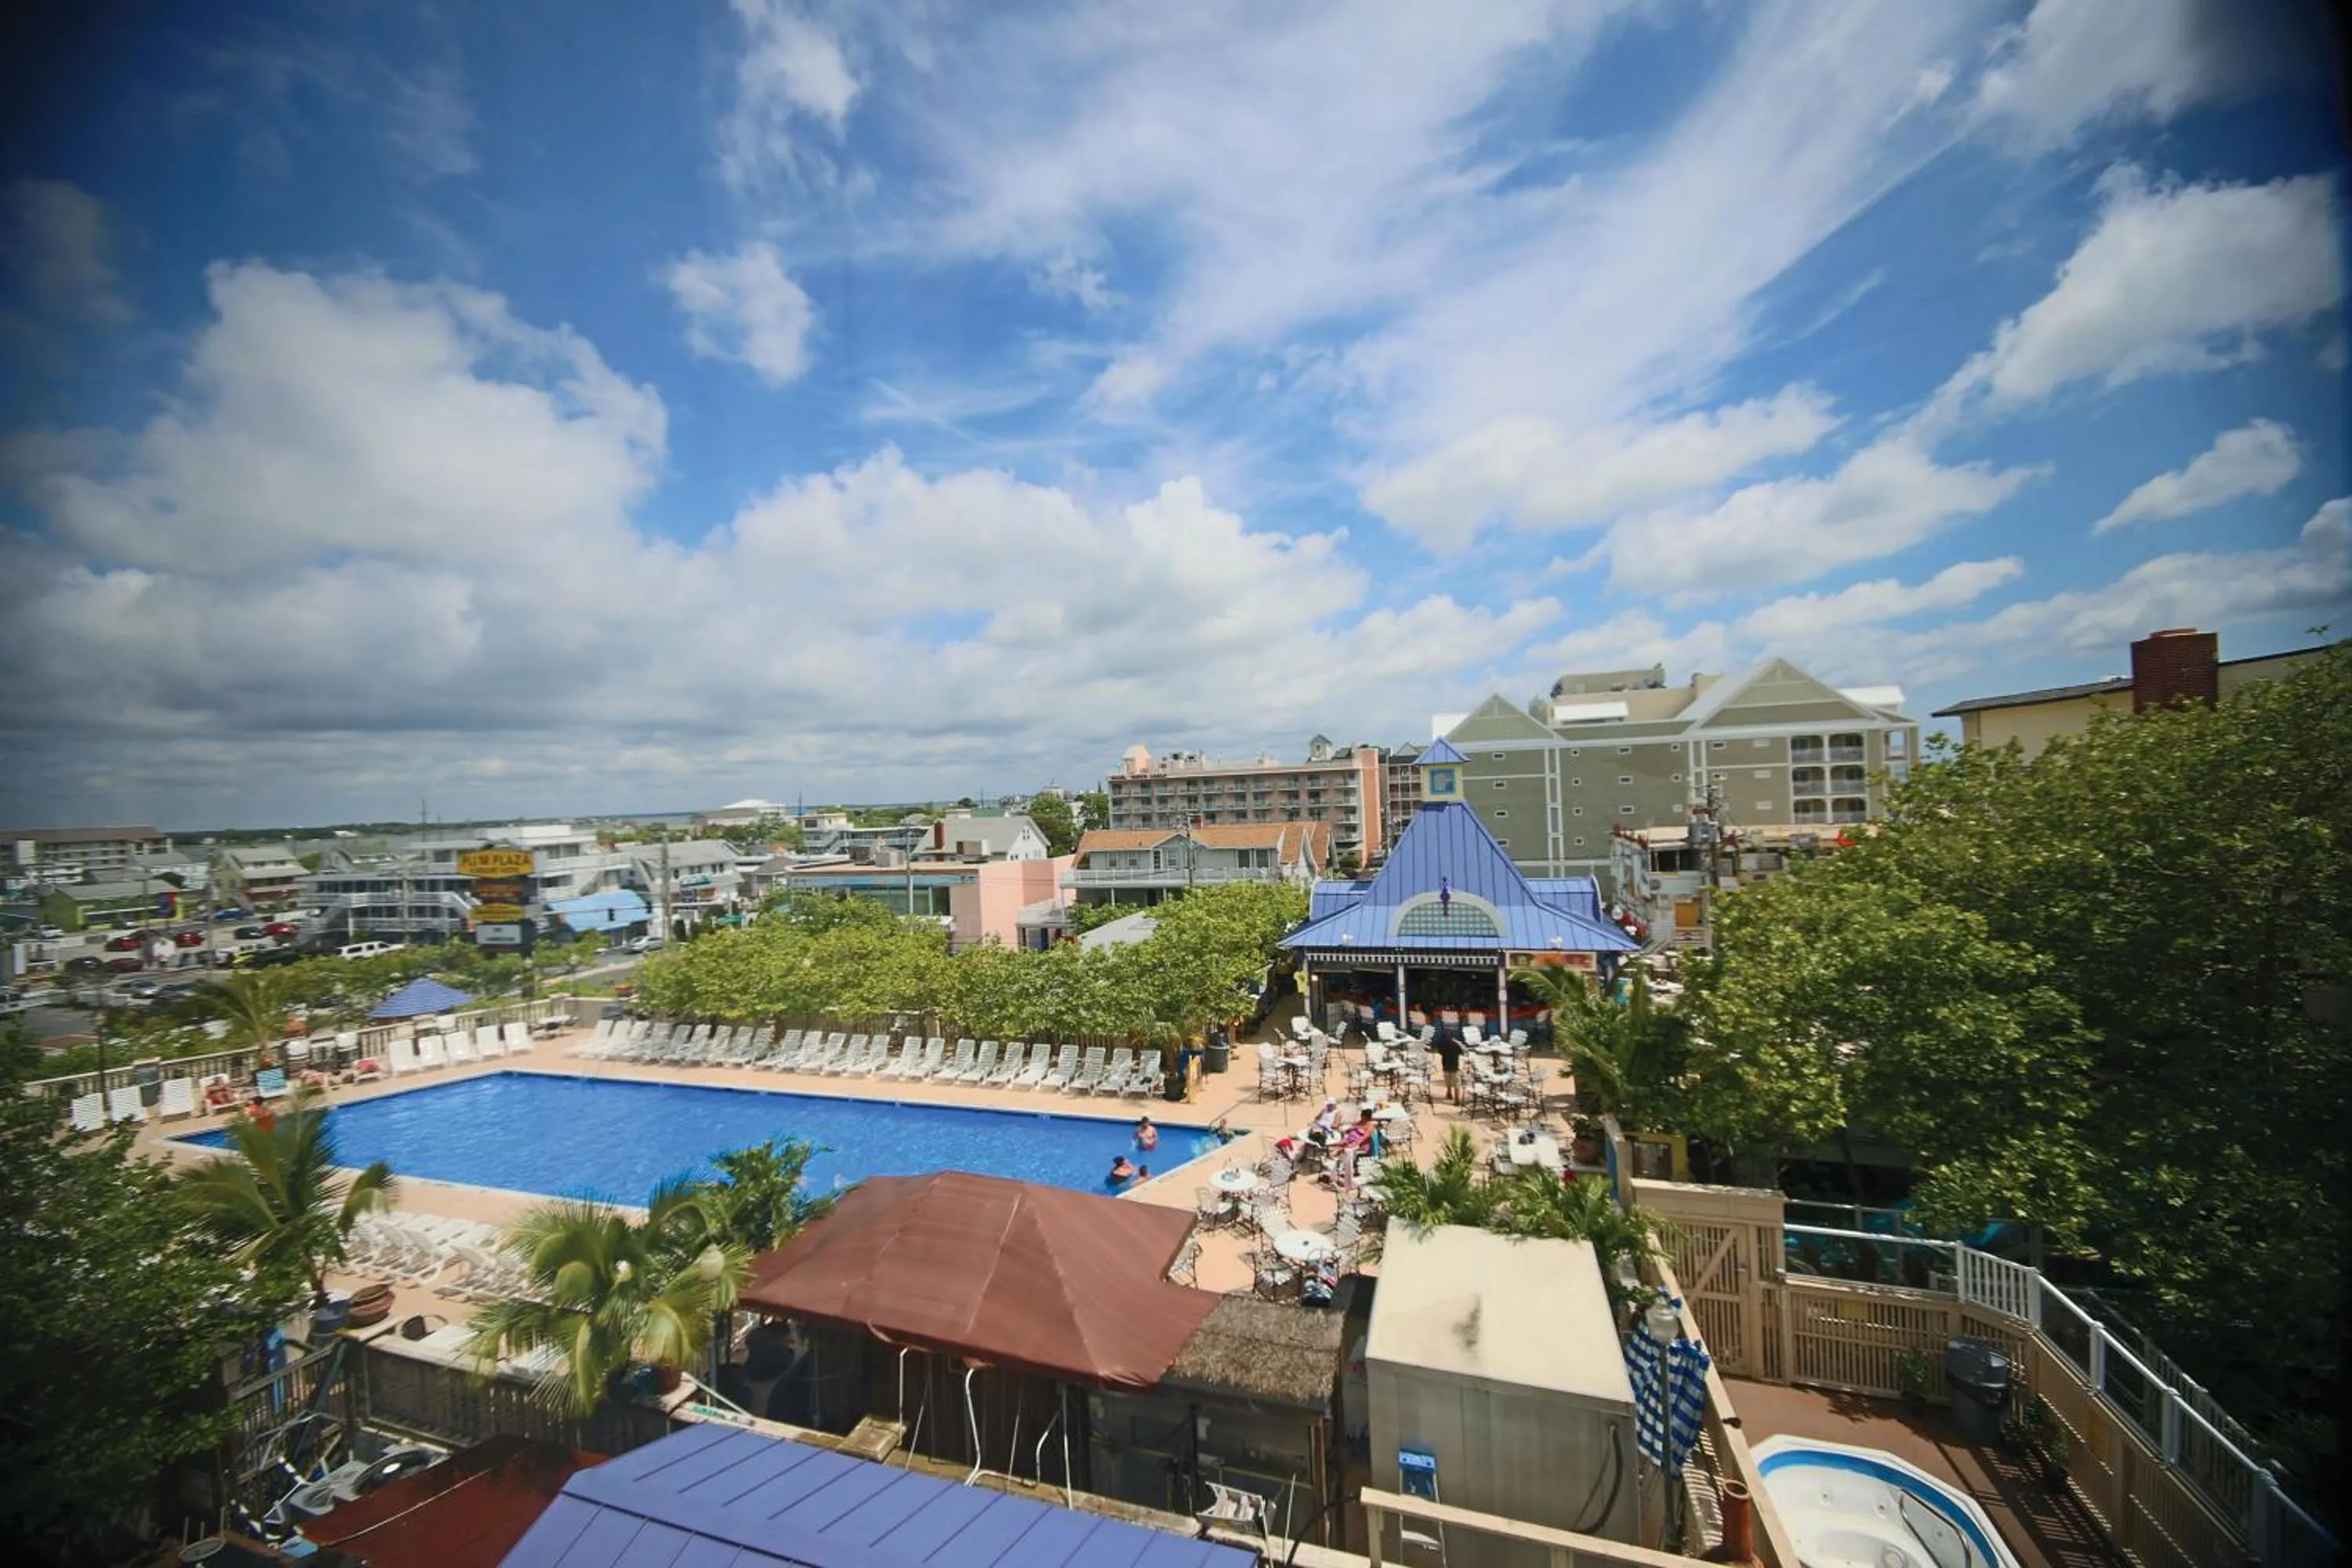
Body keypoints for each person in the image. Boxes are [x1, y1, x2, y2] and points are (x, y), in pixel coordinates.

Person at [1435, 1029, 1463, 1102]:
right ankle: (1457, 1099)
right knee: (1457, 1084)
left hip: (1446, 1066)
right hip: (1455, 1067)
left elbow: (1439, 1051)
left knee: (1448, 1082)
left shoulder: (1443, 1045)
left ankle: (1449, 1093)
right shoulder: (1456, 1045)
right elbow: (1461, 1052)